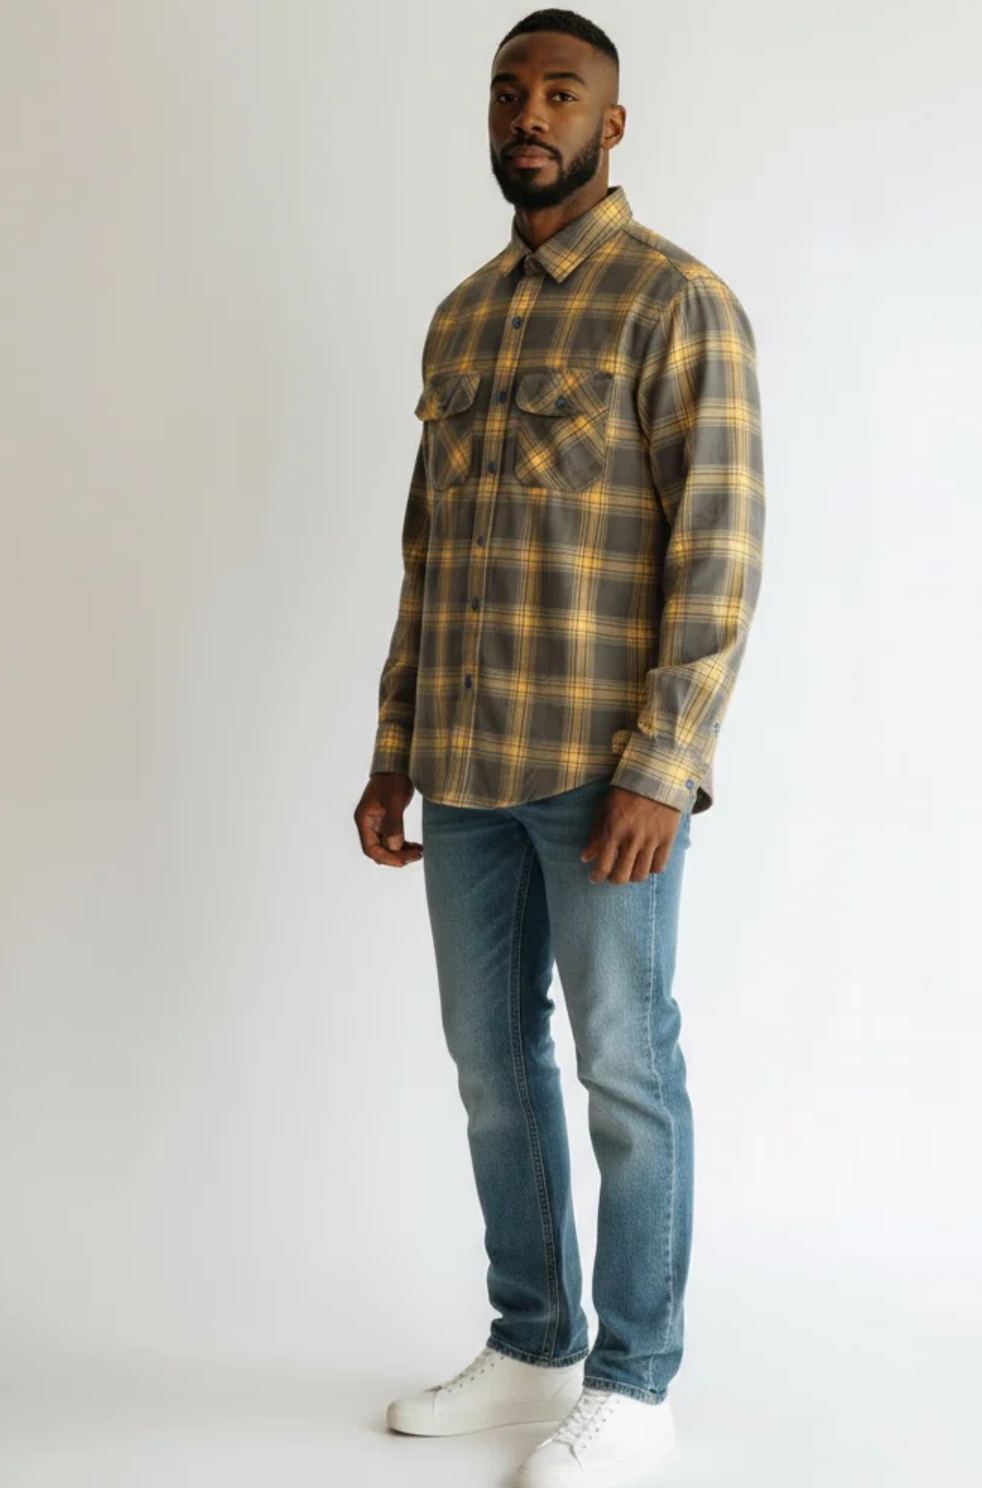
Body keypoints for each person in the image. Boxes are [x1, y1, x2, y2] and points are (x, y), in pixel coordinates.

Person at [352, 9, 765, 1485]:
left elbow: (719, 548)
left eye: (562, 94)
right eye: (510, 93)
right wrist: (395, 742)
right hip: (463, 771)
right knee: (490, 1064)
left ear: (613, 122)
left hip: (603, 777)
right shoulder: (462, 317)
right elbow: (429, 550)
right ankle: (533, 1343)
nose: (531, 114)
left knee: (626, 1070)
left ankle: (637, 1381)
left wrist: (665, 762)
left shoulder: (679, 303)